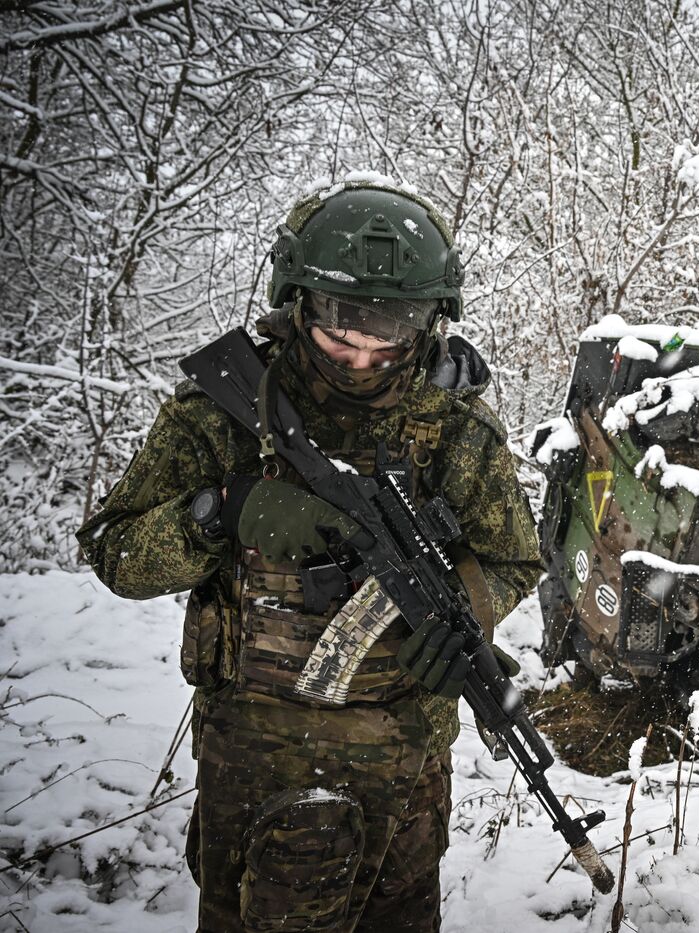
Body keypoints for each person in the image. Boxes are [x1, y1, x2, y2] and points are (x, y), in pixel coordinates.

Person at [76, 178, 541, 931]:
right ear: (297, 300)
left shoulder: (452, 427)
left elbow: (517, 558)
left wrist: (461, 613)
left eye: (388, 337)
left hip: (407, 779)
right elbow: (114, 550)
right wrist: (224, 511)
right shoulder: (225, 411)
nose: (360, 358)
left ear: (429, 323)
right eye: (338, 332)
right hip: (259, 768)